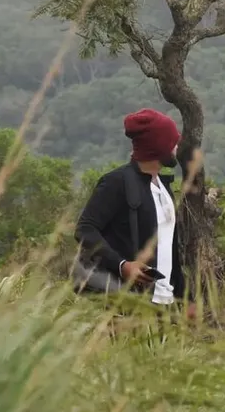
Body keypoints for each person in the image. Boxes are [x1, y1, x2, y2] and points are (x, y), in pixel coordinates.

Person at [74, 108, 192, 309]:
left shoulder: (165, 189)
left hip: (164, 304)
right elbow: (85, 229)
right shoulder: (116, 182)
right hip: (125, 302)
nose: (177, 145)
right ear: (158, 146)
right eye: (173, 140)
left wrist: (187, 300)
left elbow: (169, 250)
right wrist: (122, 266)